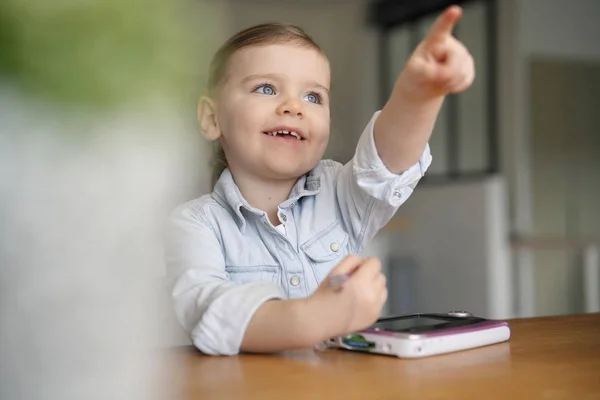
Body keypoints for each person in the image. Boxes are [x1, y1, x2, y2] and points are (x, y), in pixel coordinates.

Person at [165, 5, 474, 356]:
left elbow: (387, 163)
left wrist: (418, 94)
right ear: (211, 117)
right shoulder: (193, 225)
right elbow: (208, 310)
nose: (294, 106)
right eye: (266, 88)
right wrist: (310, 318)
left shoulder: (340, 193)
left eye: (313, 96)